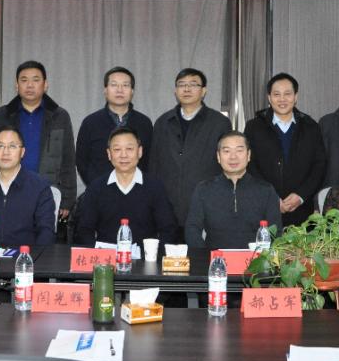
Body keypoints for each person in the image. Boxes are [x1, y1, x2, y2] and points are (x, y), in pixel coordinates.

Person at [0, 61, 76, 218]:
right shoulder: (1, 115)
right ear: (16, 85)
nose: (29, 85)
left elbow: (68, 159)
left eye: (35, 80)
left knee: (44, 232)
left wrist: (67, 199)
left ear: (45, 85)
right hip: (8, 190)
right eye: (24, 80)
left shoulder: (60, 116)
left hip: (47, 190)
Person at [150, 68, 232, 235]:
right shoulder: (163, 122)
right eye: (181, 85)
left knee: (201, 251)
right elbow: (154, 165)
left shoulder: (219, 123)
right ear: (175, 91)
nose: (186, 89)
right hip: (167, 208)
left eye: (193, 84)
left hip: (207, 207)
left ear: (204, 91)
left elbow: (228, 166)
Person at [244, 73, 325, 228]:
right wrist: (270, 196)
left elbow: (319, 166)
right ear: (269, 98)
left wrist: (301, 195)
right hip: (263, 208)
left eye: (287, 94)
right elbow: (249, 165)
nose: (282, 99)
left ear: (295, 97)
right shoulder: (254, 127)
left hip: (302, 209)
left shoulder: (311, 127)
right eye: (276, 94)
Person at [74, 127, 178, 247]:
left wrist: (154, 254)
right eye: (117, 149)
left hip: (145, 256)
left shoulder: (155, 187)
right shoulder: (96, 188)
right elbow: (84, 230)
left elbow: (168, 229)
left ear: (140, 151)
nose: (123, 155)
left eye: (129, 149)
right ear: (109, 154)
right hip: (106, 257)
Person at [185, 131, 281, 250]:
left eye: (239, 150)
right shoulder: (203, 189)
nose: (233, 157)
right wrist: (205, 256)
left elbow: (275, 232)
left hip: (256, 259)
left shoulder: (266, 190)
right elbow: (192, 229)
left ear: (249, 155)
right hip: (215, 259)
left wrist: (263, 258)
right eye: (226, 151)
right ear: (218, 157)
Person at [75, 67, 154, 188]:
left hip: (138, 191)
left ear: (132, 91)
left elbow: (150, 160)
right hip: (100, 191)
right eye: (114, 85)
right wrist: (96, 185)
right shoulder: (90, 122)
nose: (119, 90)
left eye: (125, 85)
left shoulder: (144, 123)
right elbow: (81, 160)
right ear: (105, 90)